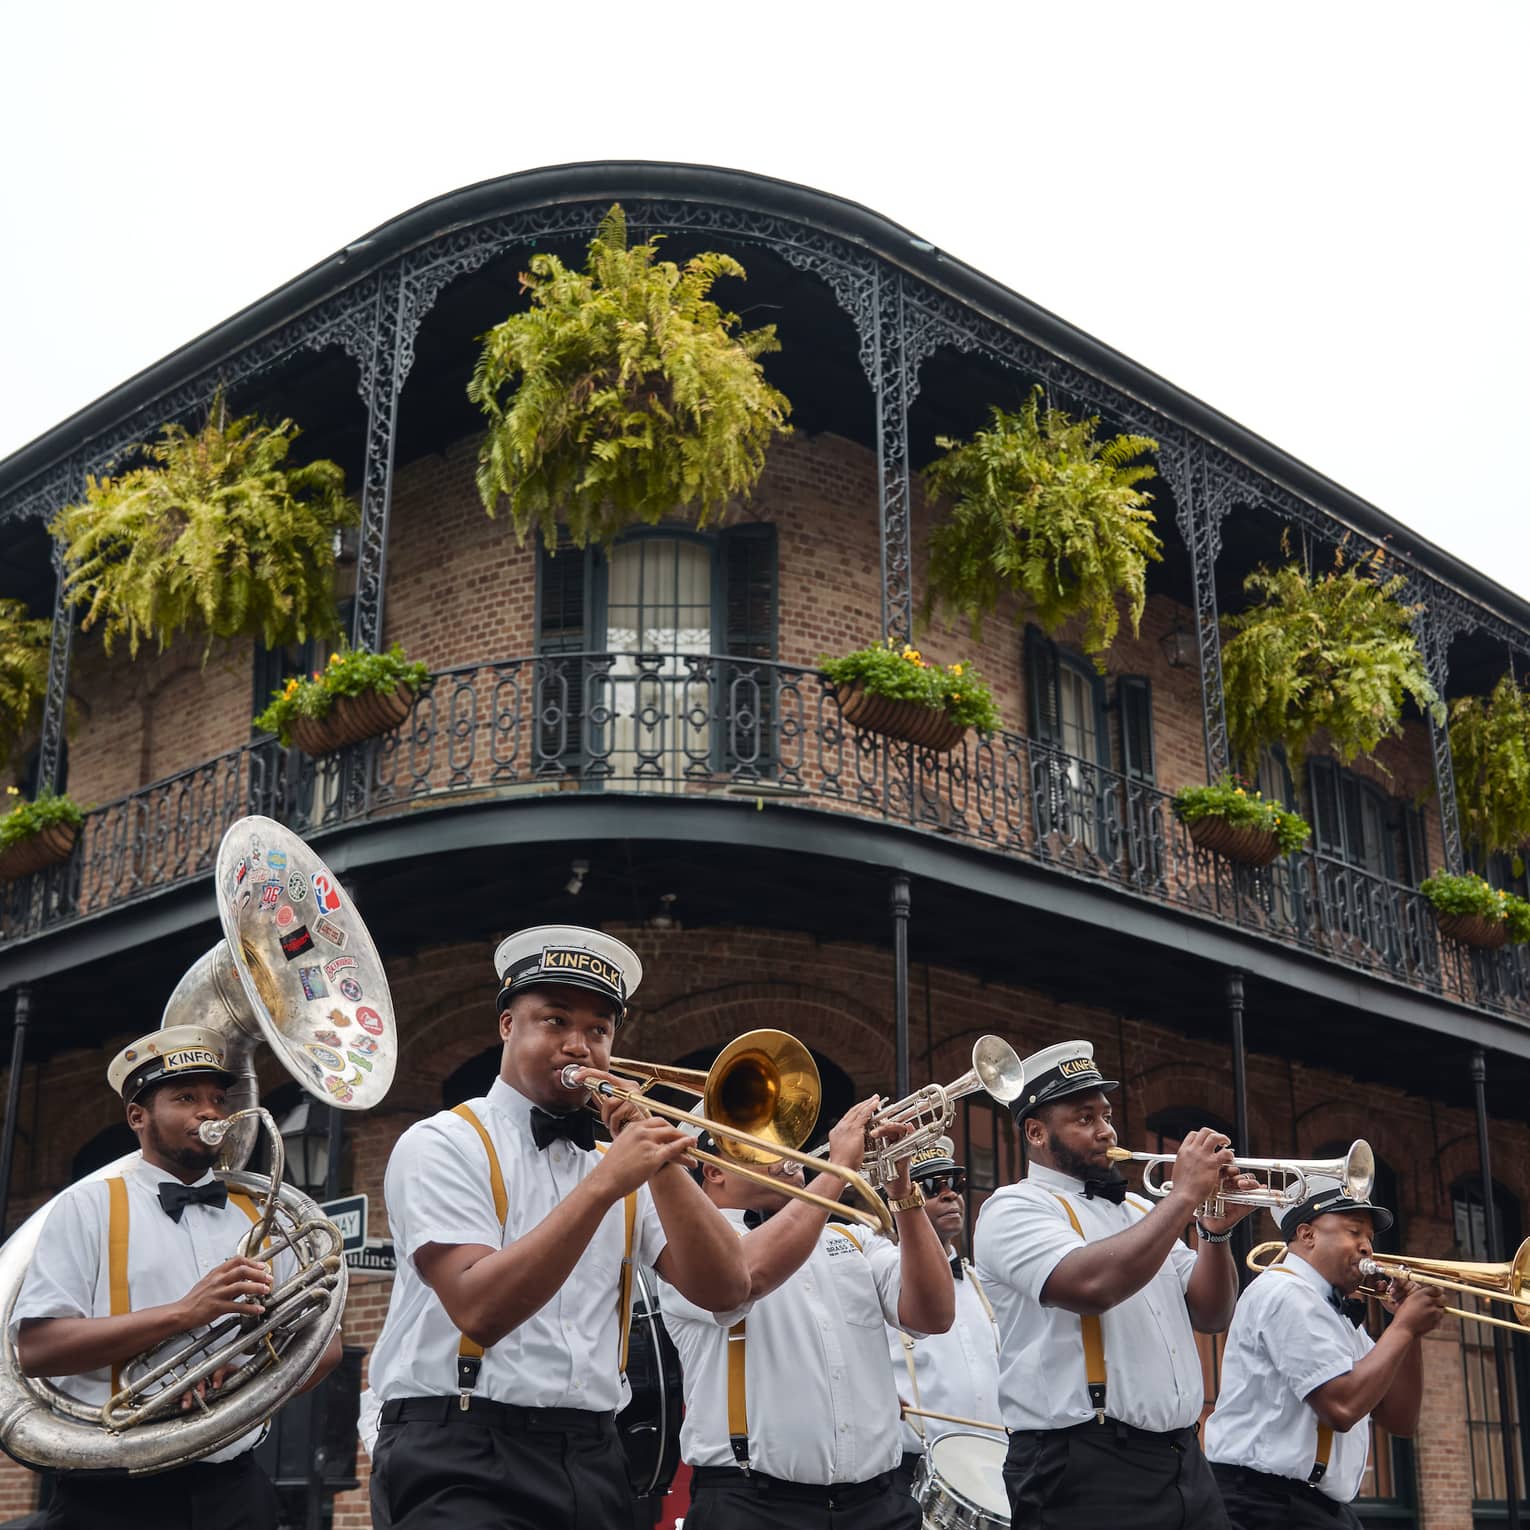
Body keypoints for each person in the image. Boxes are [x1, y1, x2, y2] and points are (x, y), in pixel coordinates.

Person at [366, 925, 749, 1530]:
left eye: (599, 1030)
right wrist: (605, 1186)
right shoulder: (443, 1142)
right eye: (554, 1021)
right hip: (463, 1448)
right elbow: (478, 1307)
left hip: (594, 1453)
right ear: (506, 1026)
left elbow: (727, 1288)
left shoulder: (616, 1166)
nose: (579, 1045)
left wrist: (663, 1166)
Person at [12, 1023, 342, 1530]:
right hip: (115, 1491)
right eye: (186, 1097)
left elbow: (326, 1347)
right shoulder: (88, 1206)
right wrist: (185, 1313)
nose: (210, 1112)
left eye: (217, 1099)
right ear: (138, 1116)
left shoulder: (262, 1214)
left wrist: (241, 1383)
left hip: (236, 1487)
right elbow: (38, 1350)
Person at [974, 1039, 1258, 1530]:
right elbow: (1094, 1286)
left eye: (1105, 1115)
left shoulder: (1141, 1212)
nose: (1106, 1130)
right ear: (1037, 1132)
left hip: (1183, 1459)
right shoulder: (1013, 1208)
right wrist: (1188, 1193)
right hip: (1084, 1463)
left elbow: (1211, 1315)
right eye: (1084, 1119)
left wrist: (1216, 1230)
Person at [659, 1097, 954, 1530]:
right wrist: (837, 1170)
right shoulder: (690, 1249)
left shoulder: (852, 1237)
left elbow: (934, 1315)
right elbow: (746, 1275)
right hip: (754, 1505)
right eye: (759, 1146)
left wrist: (903, 1191)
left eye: (786, 1139)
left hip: (877, 1503)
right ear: (714, 1169)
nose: (787, 1152)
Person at [1205, 1180, 1445, 1528]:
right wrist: (1404, 1327)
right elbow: (1341, 1408)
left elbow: (1400, 1419)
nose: (1366, 1248)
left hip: (1315, 1508)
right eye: (1353, 1232)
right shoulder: (1285, 1293)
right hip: (1264, 1505)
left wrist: (1410, 1332)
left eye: (1370, 1240)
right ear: (1307, 1235)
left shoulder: (1335, 1312)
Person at [882, 1137, 1004, 1495]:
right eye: (933, 1187)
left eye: (955, 1184)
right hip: (914, 1467)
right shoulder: (881, 1282)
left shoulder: (982, 1284)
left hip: (991, 1466)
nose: (950, 1195)